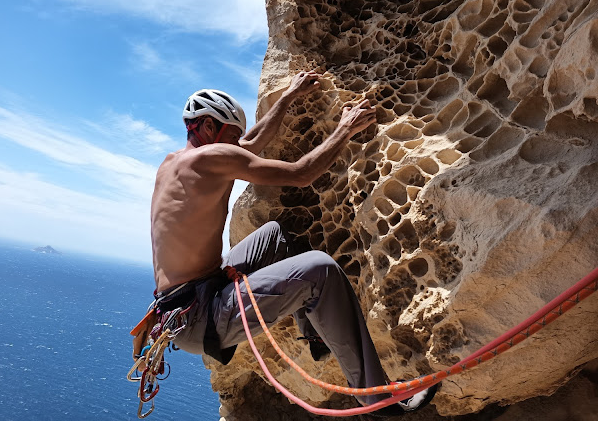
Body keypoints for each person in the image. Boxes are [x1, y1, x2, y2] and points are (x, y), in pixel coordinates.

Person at [149, 71, 437, 418]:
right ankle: (379, 400)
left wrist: (288, 97)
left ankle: (315, 333)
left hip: (189, 303)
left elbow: (250, 146)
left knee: (274, 234)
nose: (237, 144)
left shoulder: (173, 163)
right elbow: (302, 173)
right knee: (320, 270)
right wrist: (346, 127)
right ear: (209, 126)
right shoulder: (211, 159)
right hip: (200, 317)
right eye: (231, 135)